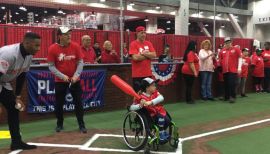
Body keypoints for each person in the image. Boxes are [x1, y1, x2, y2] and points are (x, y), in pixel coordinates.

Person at [0, 32, 41, 150]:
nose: (38, 49)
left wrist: (17, 97)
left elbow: (22, 75)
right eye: (36, 46)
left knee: (14, 108)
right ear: (27, 43)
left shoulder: (29, 55)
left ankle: (16, 142)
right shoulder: (8, 54)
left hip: (3, 82)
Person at [47, 27, 87, 133]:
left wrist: (76, 75)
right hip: (60, 82)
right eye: (66, 34)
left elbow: (80, 62)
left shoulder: (76, 46)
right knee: (59, 104)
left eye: (70, 33)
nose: (69, 36)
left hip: (75, 80)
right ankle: (59, 124)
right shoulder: (52, 48)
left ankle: (81, 124)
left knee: (78, 102)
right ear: (60, 36)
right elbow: (51, 66)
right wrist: (62, 76)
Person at [129, 26, 156, 92]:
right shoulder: (133, 44)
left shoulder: (149, 43)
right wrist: (148, 55)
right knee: (138, 95)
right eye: (141, 33)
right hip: (137, 75)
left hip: (148, 74)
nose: (143, 35)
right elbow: (135, 58)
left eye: (144, 33)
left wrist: (143, 54)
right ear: (137, 33)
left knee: (148, 94)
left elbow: (154, 55)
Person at [218, 37, 242, 103]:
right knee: (225, 83)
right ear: (224, 43)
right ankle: (226, 97)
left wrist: (239, 68)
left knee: (232, 84)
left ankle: (232, 97)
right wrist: (219, 65)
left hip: (233, 70)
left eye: (229, 42)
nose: (228, 44)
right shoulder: (222, 51)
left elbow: (240, 58)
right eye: (226, 42)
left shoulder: (236, 49)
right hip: (225, 70)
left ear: (231, 42)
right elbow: (220, 59)